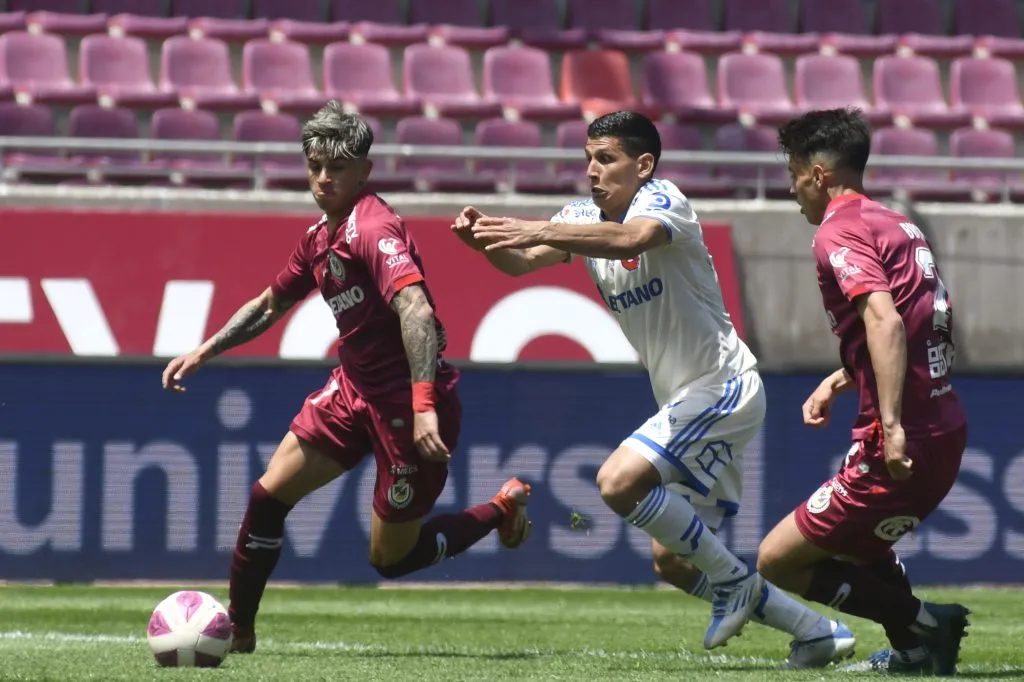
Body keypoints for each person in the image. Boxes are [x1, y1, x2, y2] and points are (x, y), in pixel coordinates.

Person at [451, 110, 854, 665]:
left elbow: (630, 239)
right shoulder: (578, 216)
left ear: (643, 165)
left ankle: (738, 585)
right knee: (673, 561)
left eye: (607, 159)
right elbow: (519, 263)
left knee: (617, 482)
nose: (593, 170)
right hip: (684, 399)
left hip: (723, 385)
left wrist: (536, 226)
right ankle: (814, 631)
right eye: (588, 158)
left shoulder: (663, 200)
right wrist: (483, 242)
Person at [160, 100, 531, 653]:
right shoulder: (317, 237)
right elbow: (269, 305)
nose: (324, 178)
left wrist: (424, 403)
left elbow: (417, 311)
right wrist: (206, 348)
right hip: (351, 392)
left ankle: (500, 509)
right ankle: (237, 631)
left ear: (364, 171)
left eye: (337, 167)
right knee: (267, 496)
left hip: (406, 407)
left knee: (390, 559)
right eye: (315, 166)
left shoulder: (373, 229)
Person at [757, 107, 970, 676]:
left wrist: (893, 426)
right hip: (943, 422)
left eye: (794, 174)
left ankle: (927, 623)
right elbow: (918, 321)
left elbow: (885, 320)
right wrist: (841, 377)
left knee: (776, 560)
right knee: (859, 549)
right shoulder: (898, 223)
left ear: (819, 175)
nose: (793, 188)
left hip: (900, 435)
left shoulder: (837, 230)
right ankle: (917, 652)